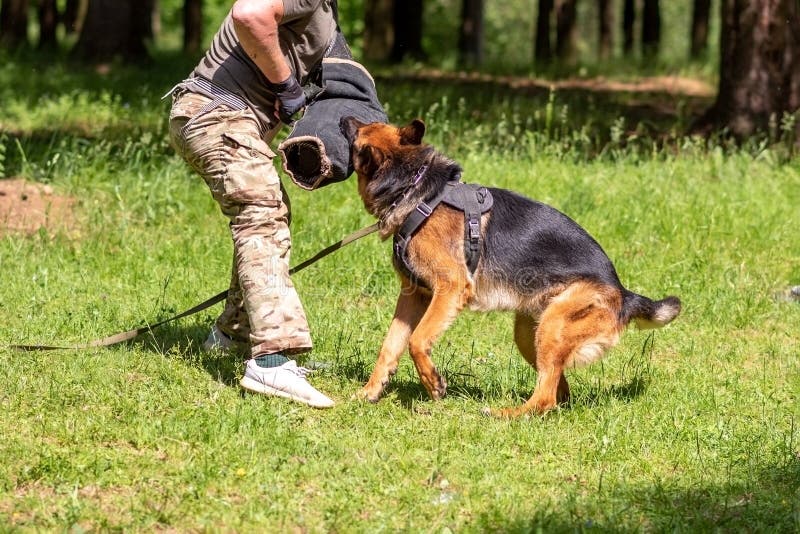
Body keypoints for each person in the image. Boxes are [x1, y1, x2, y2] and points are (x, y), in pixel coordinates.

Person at [167, 0, 345, 408]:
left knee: (268, 212)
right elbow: (250, 14)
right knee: (262, 217)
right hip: (217, 112)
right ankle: (270, 362)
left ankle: (231, 337)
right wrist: (286, 86)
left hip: (222, 113)